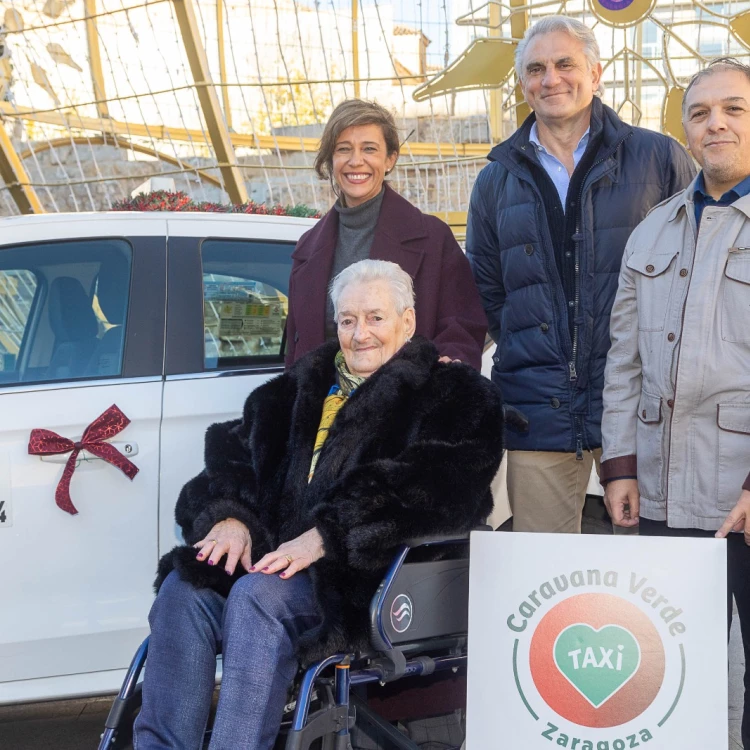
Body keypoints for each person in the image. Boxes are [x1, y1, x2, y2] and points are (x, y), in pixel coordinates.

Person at [133, 259, 505, 749]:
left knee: (256, 599)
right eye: (348, 320)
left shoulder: (452, 394)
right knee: (185, 591)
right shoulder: (292, 393)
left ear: (408, 322)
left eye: (375, 317)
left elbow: (440, 486)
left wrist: (331, 532)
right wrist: (230, 516)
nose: (360, 334)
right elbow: (228, 460)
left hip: (364, 580)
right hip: (273, 565)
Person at [466, 15, 695, 533]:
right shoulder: (494, 181)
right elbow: (490, 290)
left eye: (565, 64)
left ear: (595, 72)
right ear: (523, 85)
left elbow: (694, 269)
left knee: (651, 582)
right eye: (536, 69)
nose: (551, 79)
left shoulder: (658, 158)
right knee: (546, 581)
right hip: (537, 415)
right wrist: (539, 351)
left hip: (643, 410)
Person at [601, 58, 750, 745]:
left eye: (734, 109)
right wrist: (621, 466)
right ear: (685, 131)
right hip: (662, 489)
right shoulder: (653, 232)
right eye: (700, 112)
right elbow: (624, 362)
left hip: (739, 491)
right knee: (672, 666)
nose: (715, 122)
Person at [285, 99, 487, 371]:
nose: (356, 161)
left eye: (369, 149)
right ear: (331, 160)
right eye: (344, 149)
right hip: (325, 409)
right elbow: (296, 353)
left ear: (390, 158)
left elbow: (461, 328)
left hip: (407, 406)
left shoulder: (433, 238)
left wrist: (446, 372)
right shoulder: (307, 248)